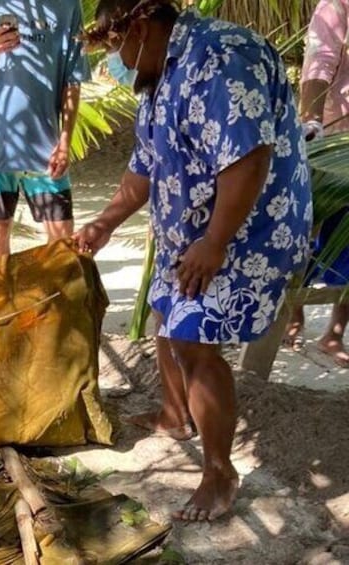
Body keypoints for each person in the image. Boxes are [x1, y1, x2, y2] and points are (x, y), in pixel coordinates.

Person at [76, 0, 312, 521]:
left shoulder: (222, 57)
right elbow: (145, 164)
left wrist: (216, 241)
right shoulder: (158, 73)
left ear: (138, 27)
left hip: (246, 228)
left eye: (115, 46)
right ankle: (175, 415)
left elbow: (249, 157)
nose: (115, 59)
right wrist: (104, 223)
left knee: (192, 334)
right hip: (191, 227)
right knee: (166, 308)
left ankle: (219, 471)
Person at [0, 0, 88, 258]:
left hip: (46, 148)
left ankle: (57, 299)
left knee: (62, 239)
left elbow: (72, 81)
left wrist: (65, 141)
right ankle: (1, 297)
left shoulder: (67, 7)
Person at [282, 0, 349, 365]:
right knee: (306, 232)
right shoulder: (335, 5)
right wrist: (310, 122)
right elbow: (320, 63)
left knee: (348, 241)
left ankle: (334, 334)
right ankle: (293, 316)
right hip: (332, 142)